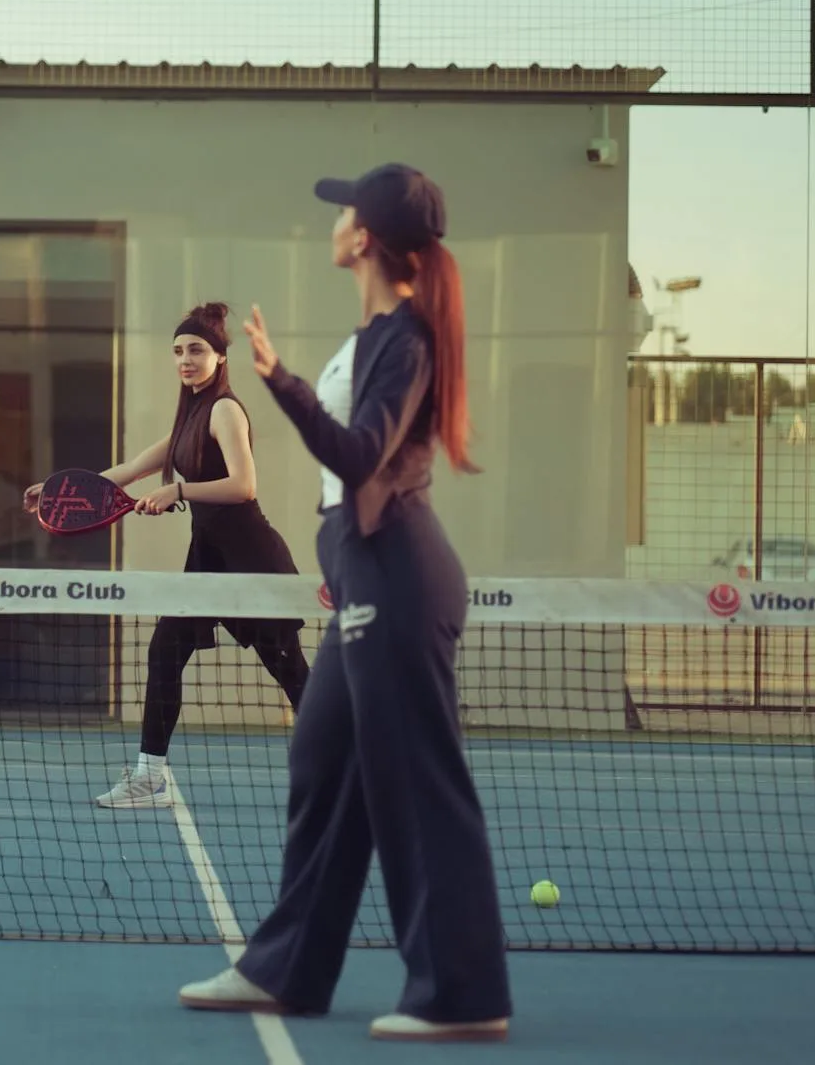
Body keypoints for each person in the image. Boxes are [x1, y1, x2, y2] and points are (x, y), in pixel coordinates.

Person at [175, 165, 512, 1042]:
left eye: (345, 212)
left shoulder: (406, 338)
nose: (334, 221)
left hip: (396, 575)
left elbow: (363, 457)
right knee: (322, 764)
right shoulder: (376, 334)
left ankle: (463, 993)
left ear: (364, 237)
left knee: (419, 786)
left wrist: (279, 379)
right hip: (364, 577)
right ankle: (285, 968)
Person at [23, 302, 309, 809]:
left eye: (196, 350)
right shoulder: (189, 418)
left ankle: (354, 764)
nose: (185, 359)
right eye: (178, 351)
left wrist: (178, 491)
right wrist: (54, 489)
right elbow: (132, 469)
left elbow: (244, 486)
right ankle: (149, 777)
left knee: (290, 673)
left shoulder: (224, 410)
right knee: (164, 651)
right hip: (209, 559)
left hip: (254, 562)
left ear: (220, 358)